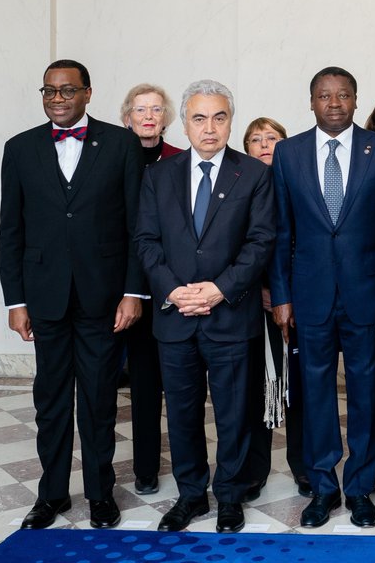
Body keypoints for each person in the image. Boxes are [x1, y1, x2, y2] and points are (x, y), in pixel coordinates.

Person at [0, 60, 144, 531]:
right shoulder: (19, 149)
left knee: (100, 399)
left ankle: (101, 493)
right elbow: (11, 231)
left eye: (67, 91)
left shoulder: (121, 144)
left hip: (103, 297)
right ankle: (52, 494)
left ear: (87, 93)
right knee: (51, 400)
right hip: (44, 298)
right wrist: (15, 301)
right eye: (49, 91)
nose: (57, 98)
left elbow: (135, 226)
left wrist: (132, 292)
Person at [134, 80, 275, 534]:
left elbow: (260, 242)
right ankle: (191, 496)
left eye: (219, 118)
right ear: (186, 122)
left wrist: (218, 289)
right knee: (182, 413)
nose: (209, 128)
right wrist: (174, 291)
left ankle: (230, 496)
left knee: (235, 413)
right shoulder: (158, 176)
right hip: (175, 317)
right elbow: (146, 242)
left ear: (230, 121)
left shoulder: (253, 174)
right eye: (199, 118)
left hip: (231, 315)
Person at [270, 67, 375, 529]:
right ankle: (323, 487)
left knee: (367, 392)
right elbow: (281, 232)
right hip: (309, 296)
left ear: (354, 99)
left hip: (367, 295)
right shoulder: (287, 154)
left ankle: (361, 487)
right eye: (324, 96)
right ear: (311, 101)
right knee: (315, 394)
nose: (334, 103)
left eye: (343, 95)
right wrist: (281, 296)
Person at [241, 117, 312, 499]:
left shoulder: (299, 182)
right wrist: (260, 290)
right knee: (255, 389)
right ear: (246, 147)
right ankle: (254, 470)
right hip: (250, 304)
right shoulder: (238, 184)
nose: (265, 144)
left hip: (298, 300)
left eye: (272, 138)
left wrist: (286, 292)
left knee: (300, 388)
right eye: (256, 139)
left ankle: (304, 467)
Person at [117, 83, 182, 496]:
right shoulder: (110, 157)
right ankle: (144, 468)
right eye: (140, 109)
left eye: (156, 109)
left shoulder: (179, 159)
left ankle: (189, 469)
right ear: (127, 115)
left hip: (171, 286)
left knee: (175, 382)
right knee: (141, 384)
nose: (148, 115)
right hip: (126, 286)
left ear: (166, 117)